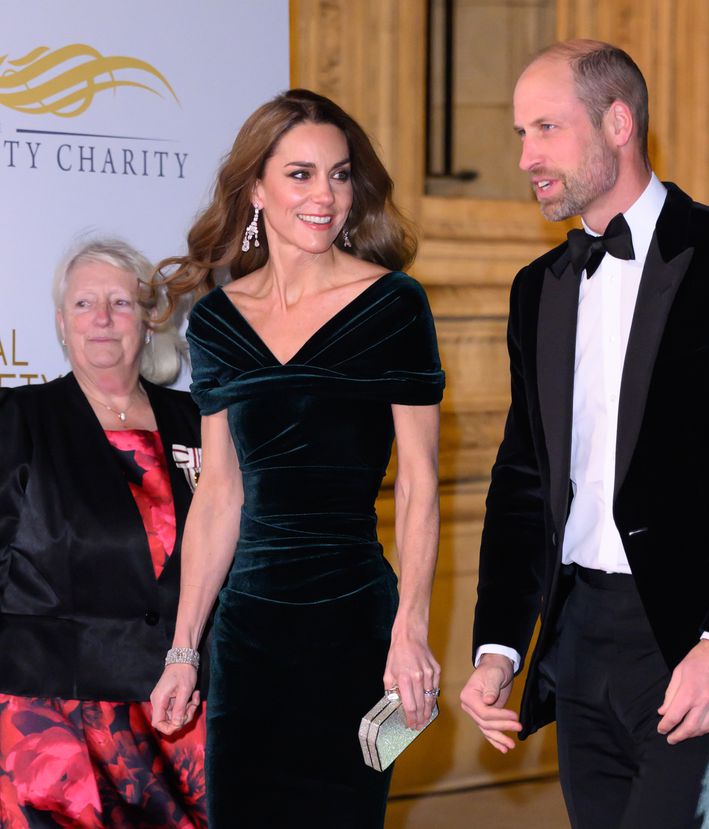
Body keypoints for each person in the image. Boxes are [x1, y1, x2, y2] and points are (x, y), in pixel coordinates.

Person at [459, 40, 709, 829]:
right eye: (521, 133)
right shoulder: (538, 290)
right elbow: (525, 475)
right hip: (580, 639)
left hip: (694, 641)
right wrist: (499, 643)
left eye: (547, 129)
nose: (527, 156)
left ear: (618, 122)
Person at [148, 89, 445, 828]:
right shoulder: (216, 321)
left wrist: (410, 628)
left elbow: (419, 486)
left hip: (353, 627)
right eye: (302, 175)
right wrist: (184, 650)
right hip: (249, 635)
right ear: (257, 187)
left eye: (340, 175)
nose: (326, 196)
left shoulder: (394, 306)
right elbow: (218, 496)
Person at [0, 239, 206, 828]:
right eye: (84, 303)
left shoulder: (199, 420)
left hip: (181, 710)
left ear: (148, 319)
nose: (103, 318)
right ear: (62, 324)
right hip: (54, 722)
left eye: (121, 301)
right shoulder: (19, 418)